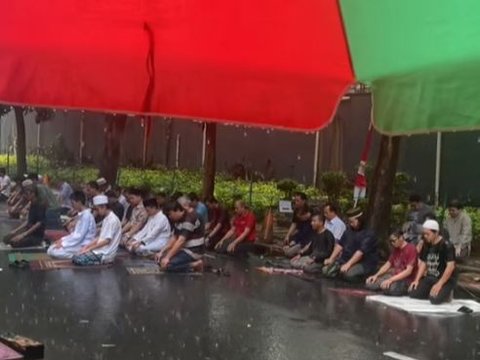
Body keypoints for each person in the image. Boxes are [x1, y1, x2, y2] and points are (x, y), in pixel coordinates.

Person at [323, 208, 378, 282]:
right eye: (349, 222)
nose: (351, 224)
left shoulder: (369, 234)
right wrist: (331, 258)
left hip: (364, 263)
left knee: (348, 275)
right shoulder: (348, 231)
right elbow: (340, 245)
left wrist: (348, 264)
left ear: (359, 220)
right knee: (326, 270)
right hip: (346, 258)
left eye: (352, 222)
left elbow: (360, 252)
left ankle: (365, 277)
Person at [409, 220, 456, 304]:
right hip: (430, 276)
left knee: (434, 299)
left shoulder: (446, 245)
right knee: (413, 292)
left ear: (436, 233)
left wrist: (440, 284)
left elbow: (450, 266)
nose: (425, 236)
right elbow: (423, 262)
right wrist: (417, 280)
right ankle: (431, 290)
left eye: (428, 234)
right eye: (424, 234)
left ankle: (445, 292)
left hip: (444, 278)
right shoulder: (426, 244)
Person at [154, 201, 205, 272]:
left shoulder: (190, 219)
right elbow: (174, 237)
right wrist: (162, 251)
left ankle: (194, 264)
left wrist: (168, 257)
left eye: (170, 214)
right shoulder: (178, 219)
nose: (170, 217)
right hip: (183, 249)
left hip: (193, 250)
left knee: (167, 265)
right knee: (160, 260)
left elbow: (181, 240)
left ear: (177, 210)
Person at [72, 195, 122, 265]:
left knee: (78, 259)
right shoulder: (106, 219)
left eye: (97, 209)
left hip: (106, 253)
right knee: (75, 256)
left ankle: (101, 261)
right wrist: (87, 246)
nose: (97, 212)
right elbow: (100, 237)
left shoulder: (112, 220)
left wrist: (89, 249)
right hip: (100, 250)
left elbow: (107, 241)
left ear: (103, 207)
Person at [365, 231, 418, 296]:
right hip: (394, 277)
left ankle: (389, 288)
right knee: (370, 283)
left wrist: (391, 280)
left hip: (405, 280)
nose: (392, 243)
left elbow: (408, 271)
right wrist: (376, 275)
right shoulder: (396, 250)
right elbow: (387, 264)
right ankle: (384, 286)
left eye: (394, 240)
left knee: (389, 288)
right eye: (390, 241)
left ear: (401, 238)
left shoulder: (411, 248)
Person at [47, 191, 96, 259]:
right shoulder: (82, 215)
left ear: (79, 202)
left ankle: (78, 255)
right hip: (77, 243)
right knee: (51, 248)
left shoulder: (86, 216)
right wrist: (62, 240)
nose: (72, 206)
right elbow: (75, 234)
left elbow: (79, 236)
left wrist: (63, 244)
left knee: (53, 251)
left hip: (83, 244)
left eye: (73, 203)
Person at [283, 192, 314, 258]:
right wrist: (288, 235)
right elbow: (294, 223)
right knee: (286, 246)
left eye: (298, 201)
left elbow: (307, 228)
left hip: (307, 237)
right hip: (299, 234)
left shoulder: (310, 211)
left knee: (288, 252)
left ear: (303, 201)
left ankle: (301, 251)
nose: (296, 203)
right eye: (295, 201)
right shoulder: (296, 211)